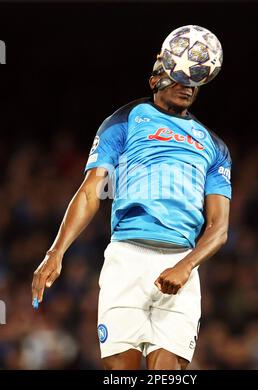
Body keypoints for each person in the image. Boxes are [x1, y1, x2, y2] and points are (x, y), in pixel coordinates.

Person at [32, 57, 232, 370]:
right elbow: (90, 191)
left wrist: (185, 265)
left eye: (194, 80)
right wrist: (56, 251)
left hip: (180, 265)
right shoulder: (124, 120)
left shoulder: (215, 147)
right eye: (178, 77)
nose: (187, 86)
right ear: (155, 80)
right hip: (126, 261)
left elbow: (219, 228)